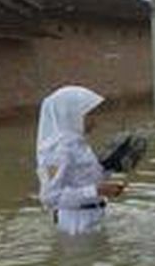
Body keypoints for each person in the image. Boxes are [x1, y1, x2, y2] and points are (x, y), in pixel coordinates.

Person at [36, 85, 125, 235]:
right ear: (72, 115)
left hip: (93, 216)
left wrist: (111, 166)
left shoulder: (78, 144)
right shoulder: (59, 149)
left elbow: (84, 179)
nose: (95, 121)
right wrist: (96, 190)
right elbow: (50, 197)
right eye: (89, 115)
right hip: (75, 224)